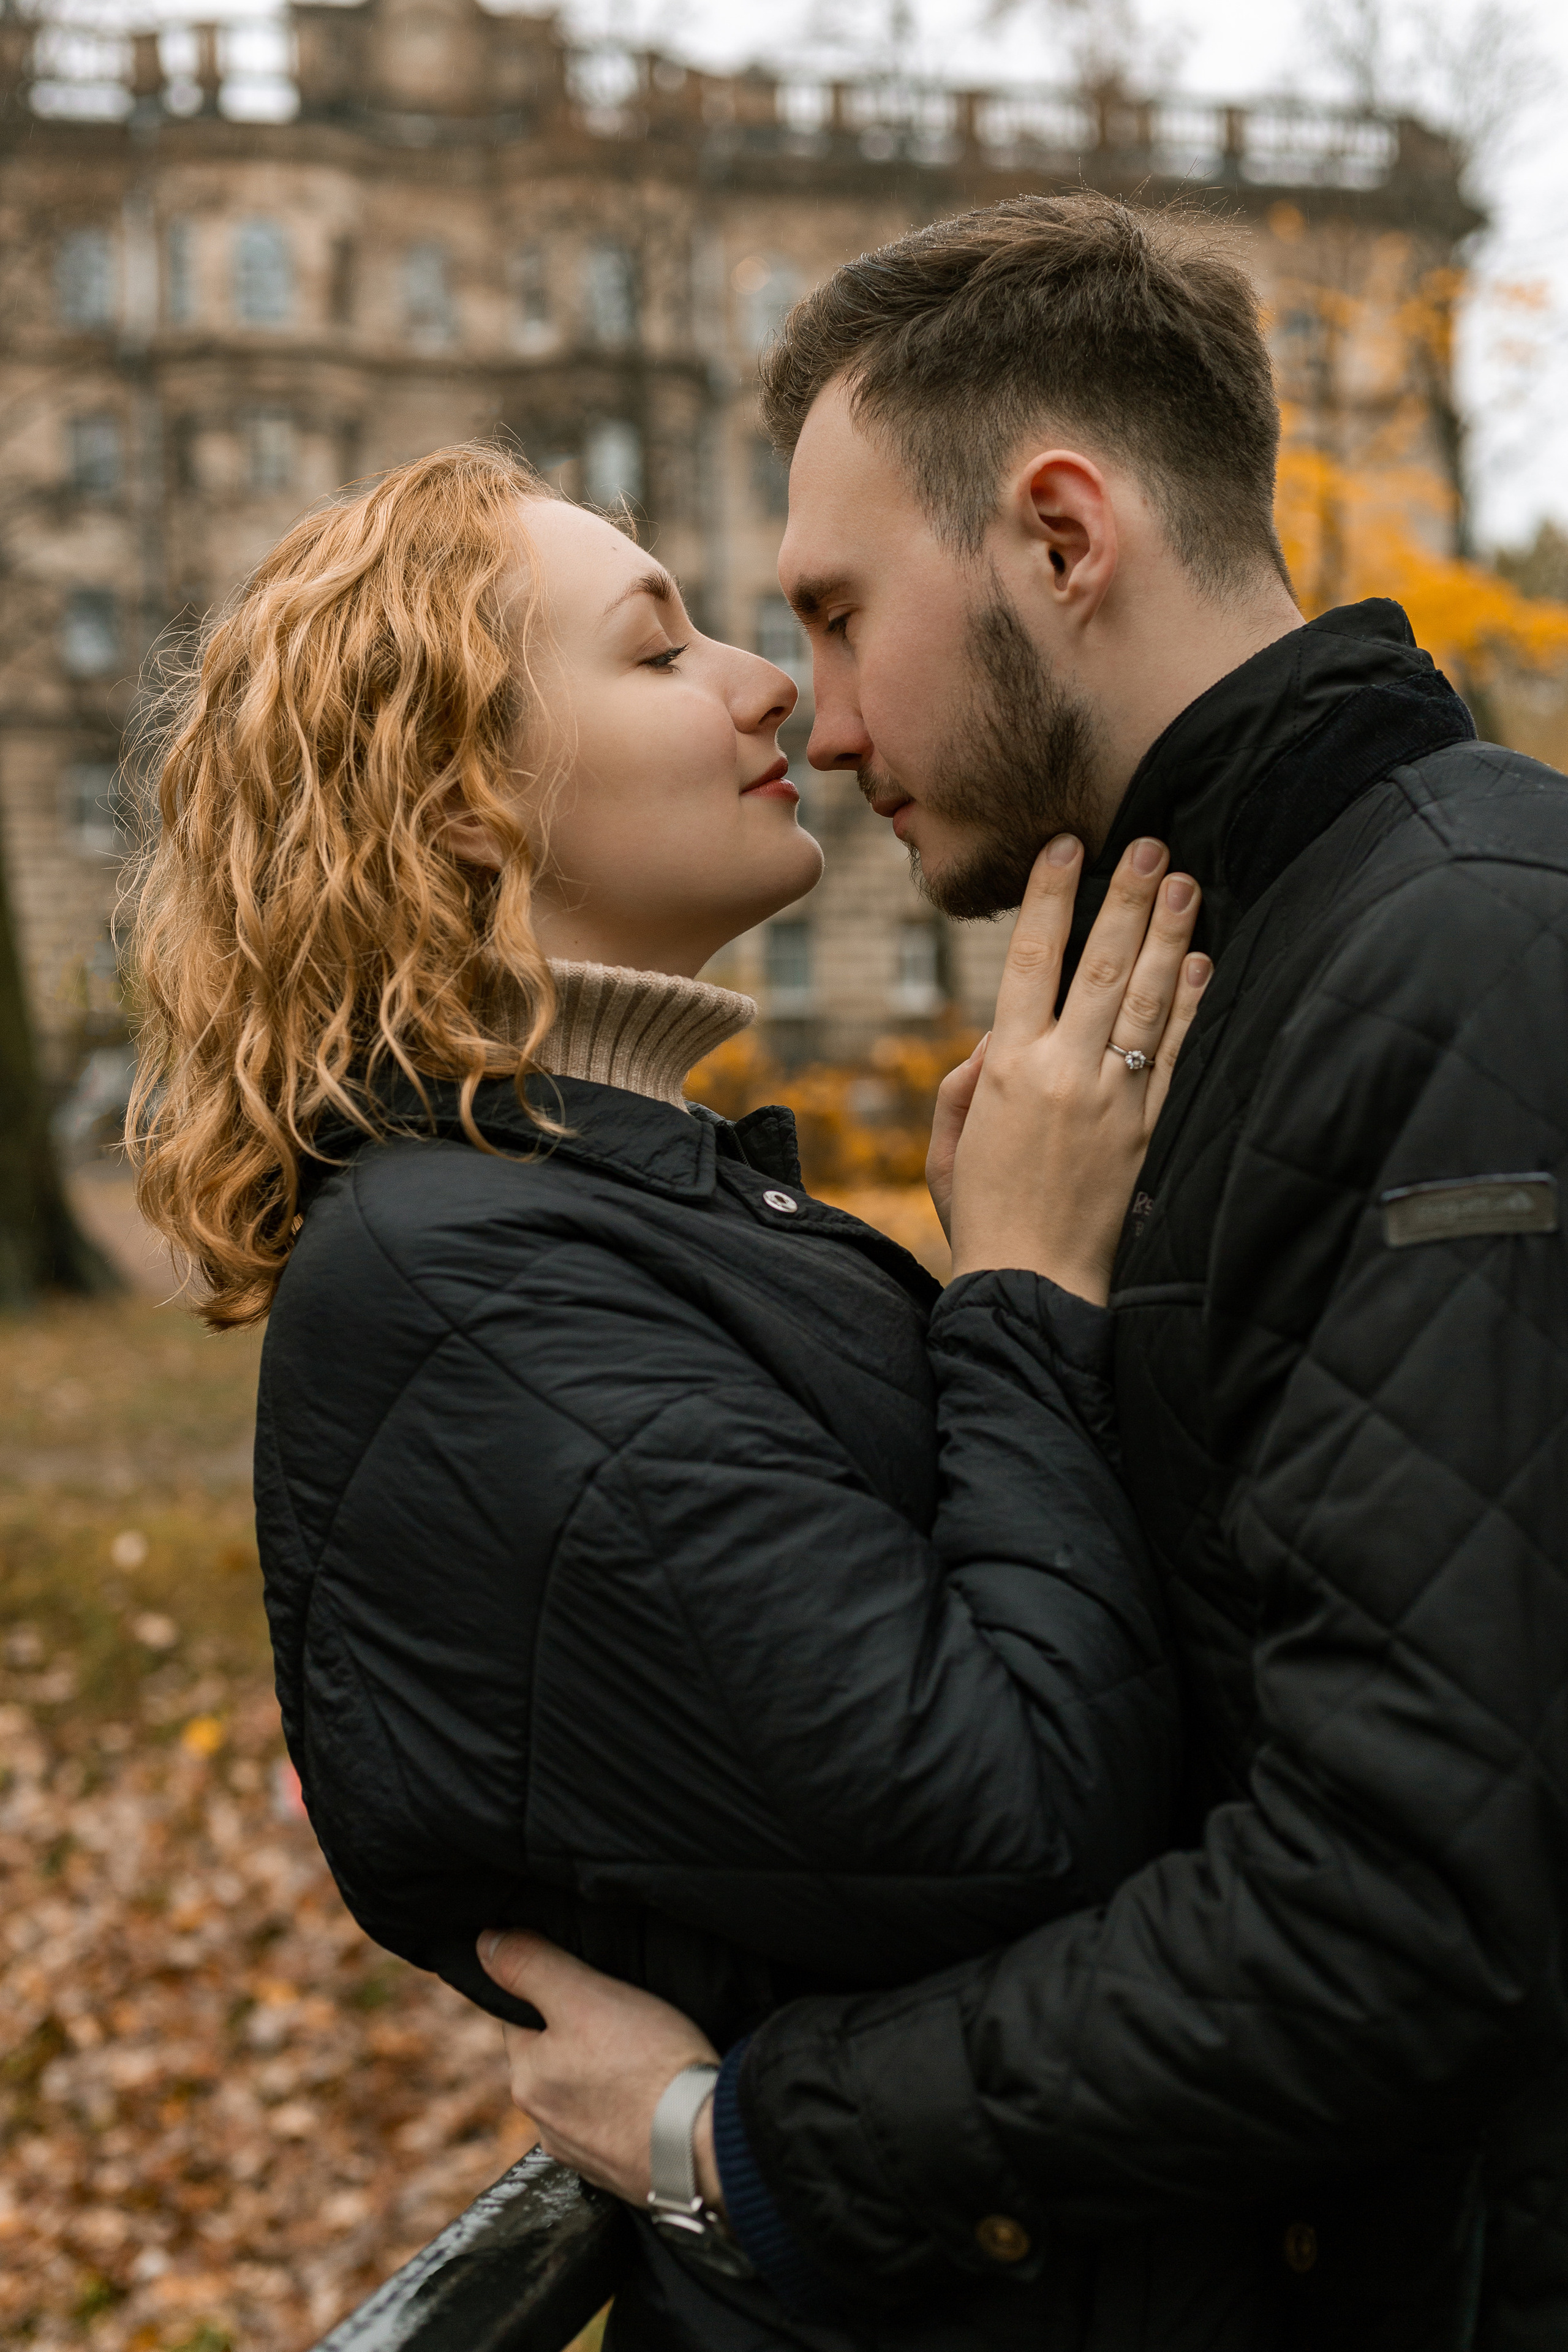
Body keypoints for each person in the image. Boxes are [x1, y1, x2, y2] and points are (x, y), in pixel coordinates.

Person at [477, 194, 1568, 2351]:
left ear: (1063, 540)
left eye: (839, 609)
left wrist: (748, 2138)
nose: (818, 709)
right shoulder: (1233, 977)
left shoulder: (1462, 960)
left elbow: (1409, 1912)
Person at [126, 441, 1218, 2350]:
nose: (768, 682)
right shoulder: (464, 1287)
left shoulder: (630, 1214)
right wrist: (1029, 1289)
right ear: (458, 805)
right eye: (658, 652)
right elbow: (1010, 1802)